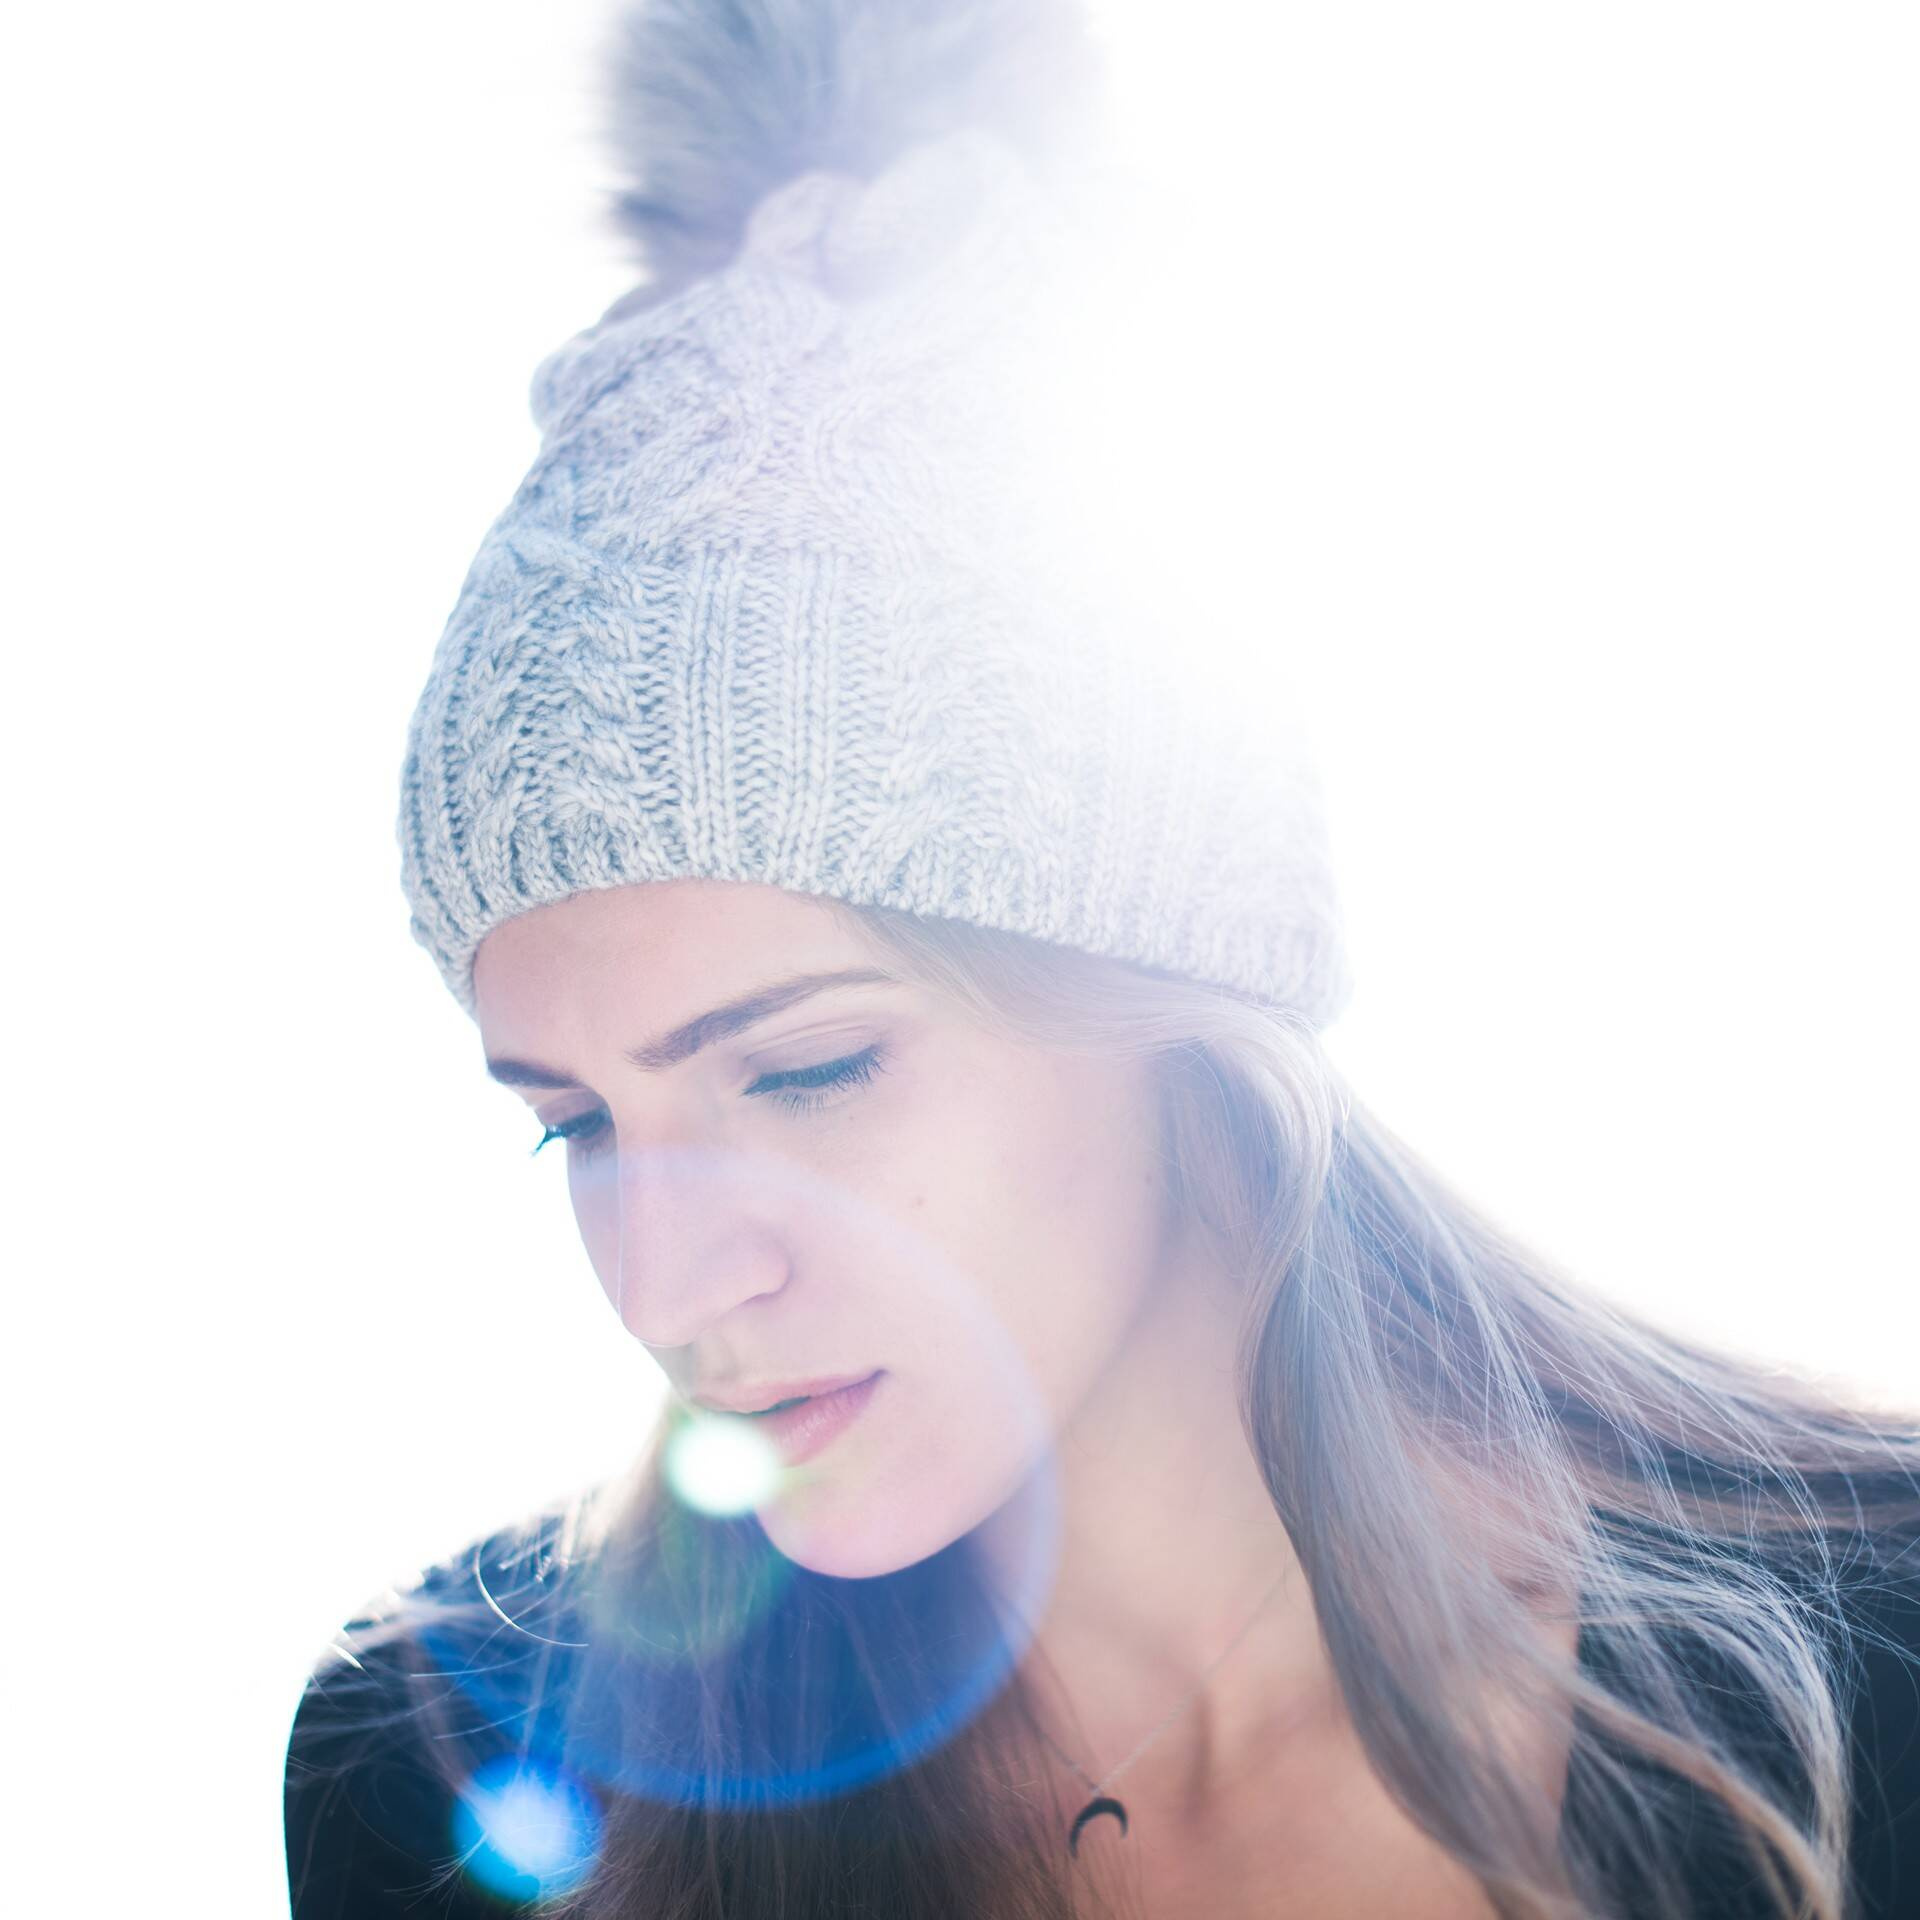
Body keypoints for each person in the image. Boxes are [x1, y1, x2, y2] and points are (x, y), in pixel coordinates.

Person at [285, 3, 1920, 1915]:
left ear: (1161, 992)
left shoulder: (1876, 1678)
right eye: (575, 1124)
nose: (666, 1281)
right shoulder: (438, 1772)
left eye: (806, 1071)